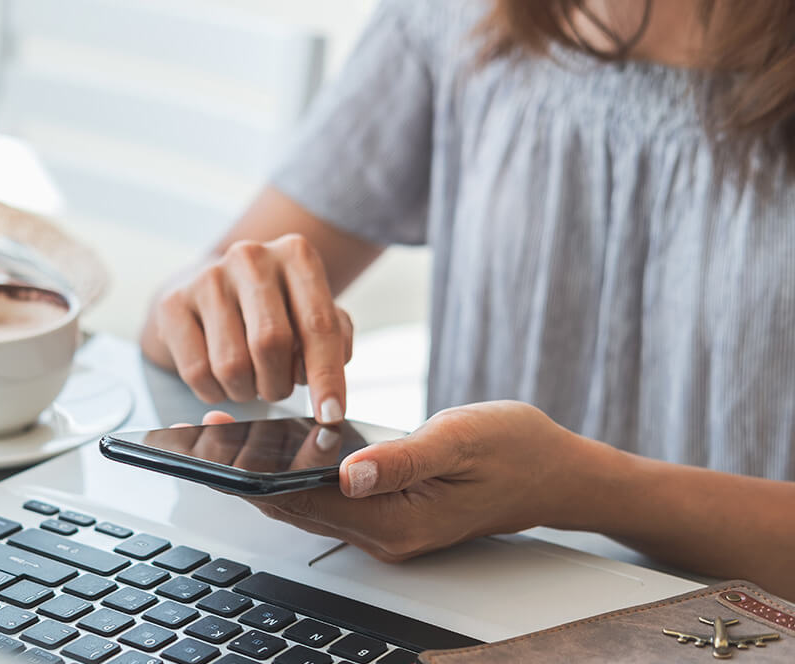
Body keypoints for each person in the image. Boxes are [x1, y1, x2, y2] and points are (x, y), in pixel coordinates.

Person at [140, 0, 795, 597]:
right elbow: (175, 315)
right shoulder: (447, 19)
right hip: (459, 612)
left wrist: (581, 491)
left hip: (748, 658)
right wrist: (205, 309)